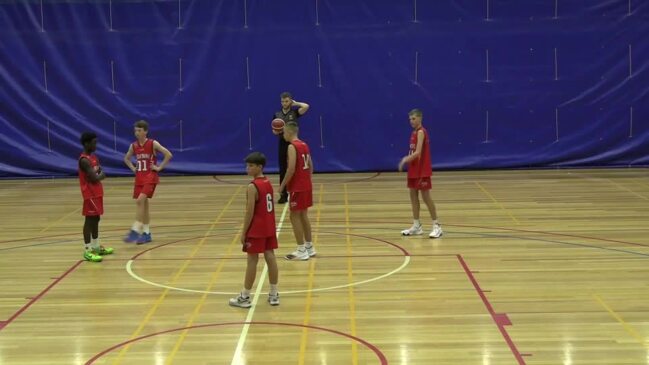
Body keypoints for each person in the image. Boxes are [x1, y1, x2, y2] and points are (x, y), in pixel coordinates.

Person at [229, 152, 280, 308]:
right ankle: (273, 294)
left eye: (251, 166)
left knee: (252, 260)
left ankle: (245, 296)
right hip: (269, 226)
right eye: (247, 165)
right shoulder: (268, 182)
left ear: (260, 167)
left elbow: (249, 211)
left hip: (257, 229)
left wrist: (244, 232)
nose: (247, 168)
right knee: (270, 257)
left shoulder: (252, 186)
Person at [123, 120, 173, 244]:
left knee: (140, 201)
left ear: (145, 131)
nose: (137, 133)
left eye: (139, 130)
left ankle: (135, 229)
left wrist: (159, 167)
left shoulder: (152, 143)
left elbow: (168, 154)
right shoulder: (133, 146)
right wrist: (133, 168)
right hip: (139, 177)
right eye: (135, 130)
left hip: (150, 177)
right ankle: (146, 233)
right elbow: (126, 158)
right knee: (144, 205)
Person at [398, 109, 443, 238]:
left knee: (426, 197)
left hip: (422, 170)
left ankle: (437, 225)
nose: (411, 121)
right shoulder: (413, 133)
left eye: (413, 118)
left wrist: (405, 160)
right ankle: (416, 225)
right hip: (413, 169)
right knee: (413, 195)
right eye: (410, 119)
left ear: (420, 118)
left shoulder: (421, 132)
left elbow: (418, 152)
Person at [278, 122, 316, 261]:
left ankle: (301, 249)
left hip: (297, 187)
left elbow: (291, 169)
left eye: (283, 133)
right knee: (303, 215)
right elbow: (311, 166)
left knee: (294, 216)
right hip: (306, 185)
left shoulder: (292, 147)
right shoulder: (304, 145)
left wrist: (282, 186)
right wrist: (306, 179)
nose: (283, 135)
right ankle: (309, 247)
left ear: (288, 132)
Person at [78, 132, 114, 262]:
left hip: (97, 192)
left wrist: (98, 175)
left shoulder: (94, 158)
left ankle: (96, 246)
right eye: (94, 143)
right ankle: (88, 250)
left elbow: (98, 171)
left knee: (96, 218)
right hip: (90, 194)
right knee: (89, 220)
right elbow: (95, 177)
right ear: (87, 143)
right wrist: (101, 176)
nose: (96, 145)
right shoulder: (84, 160)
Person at [272, 92, 309, 204]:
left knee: (294, 167)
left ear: (290, 101)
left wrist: (296, 103)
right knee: (283, 168)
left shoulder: (295, 112)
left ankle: (296, 191)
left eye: (287, 101)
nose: (284, 103)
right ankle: (283, 194)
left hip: (293, 142)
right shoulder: (277, 114)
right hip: (283, 142)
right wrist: (276, 131)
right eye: (282, 101)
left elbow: (306, 106)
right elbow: (274, 131)